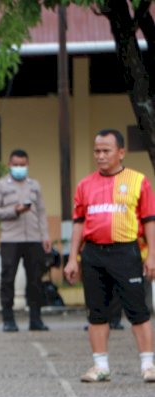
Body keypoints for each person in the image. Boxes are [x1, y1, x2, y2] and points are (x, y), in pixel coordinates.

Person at [64, 129, 155, 383]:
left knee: (138, 310)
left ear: (121, 152)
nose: (101, 156)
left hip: (125, 251)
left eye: (106, 151)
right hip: (93, 253)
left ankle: (148, 365)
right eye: (97, 151)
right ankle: (100, 366)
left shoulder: (139, 181)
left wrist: (152, 256)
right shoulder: (85, 185)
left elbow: (149, 221)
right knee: (97, 312)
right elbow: (78, 224)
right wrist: (73, 258)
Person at [0, 149, 52, 332]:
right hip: (10, 239)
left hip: (33, 239)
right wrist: (14, 210)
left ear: (27, 165)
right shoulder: (0, 185)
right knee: (8, 279)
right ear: (9, 165)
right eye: (15, 165)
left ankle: (35, 319)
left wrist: (45, 236)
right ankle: (8, 320)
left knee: (35, 279)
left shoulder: (34, 185)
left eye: (22, 165)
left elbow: (41, 212)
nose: (19, 168)